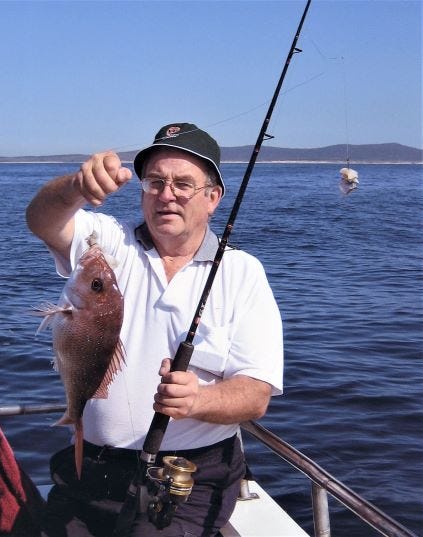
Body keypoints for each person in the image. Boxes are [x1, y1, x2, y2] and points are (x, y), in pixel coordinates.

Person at [26, 123, 283, 537]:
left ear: (213, 198)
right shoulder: (108, 243)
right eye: (155, 182)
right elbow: (42, 219)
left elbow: (255, 395)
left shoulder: (242, 273)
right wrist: (75, 187)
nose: (166, 194)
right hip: (92, 465)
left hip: (190, 475)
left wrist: (198, 399)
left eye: (183, 184)